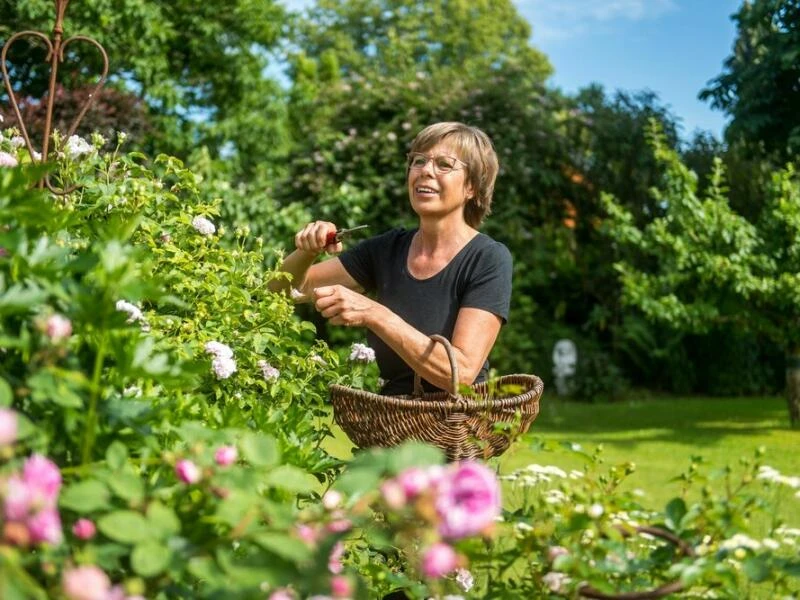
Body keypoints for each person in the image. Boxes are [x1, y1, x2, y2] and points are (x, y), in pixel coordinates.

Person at [270, 121, 512, 395]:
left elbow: (461, 376)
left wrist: (374, 313)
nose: (425, 171)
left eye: (444, 164)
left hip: (455, 427)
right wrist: (307, 250)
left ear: (471, 187)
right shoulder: (388, 249)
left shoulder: (488, 258)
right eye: (418, 161)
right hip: (389, 422)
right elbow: (284, 291)